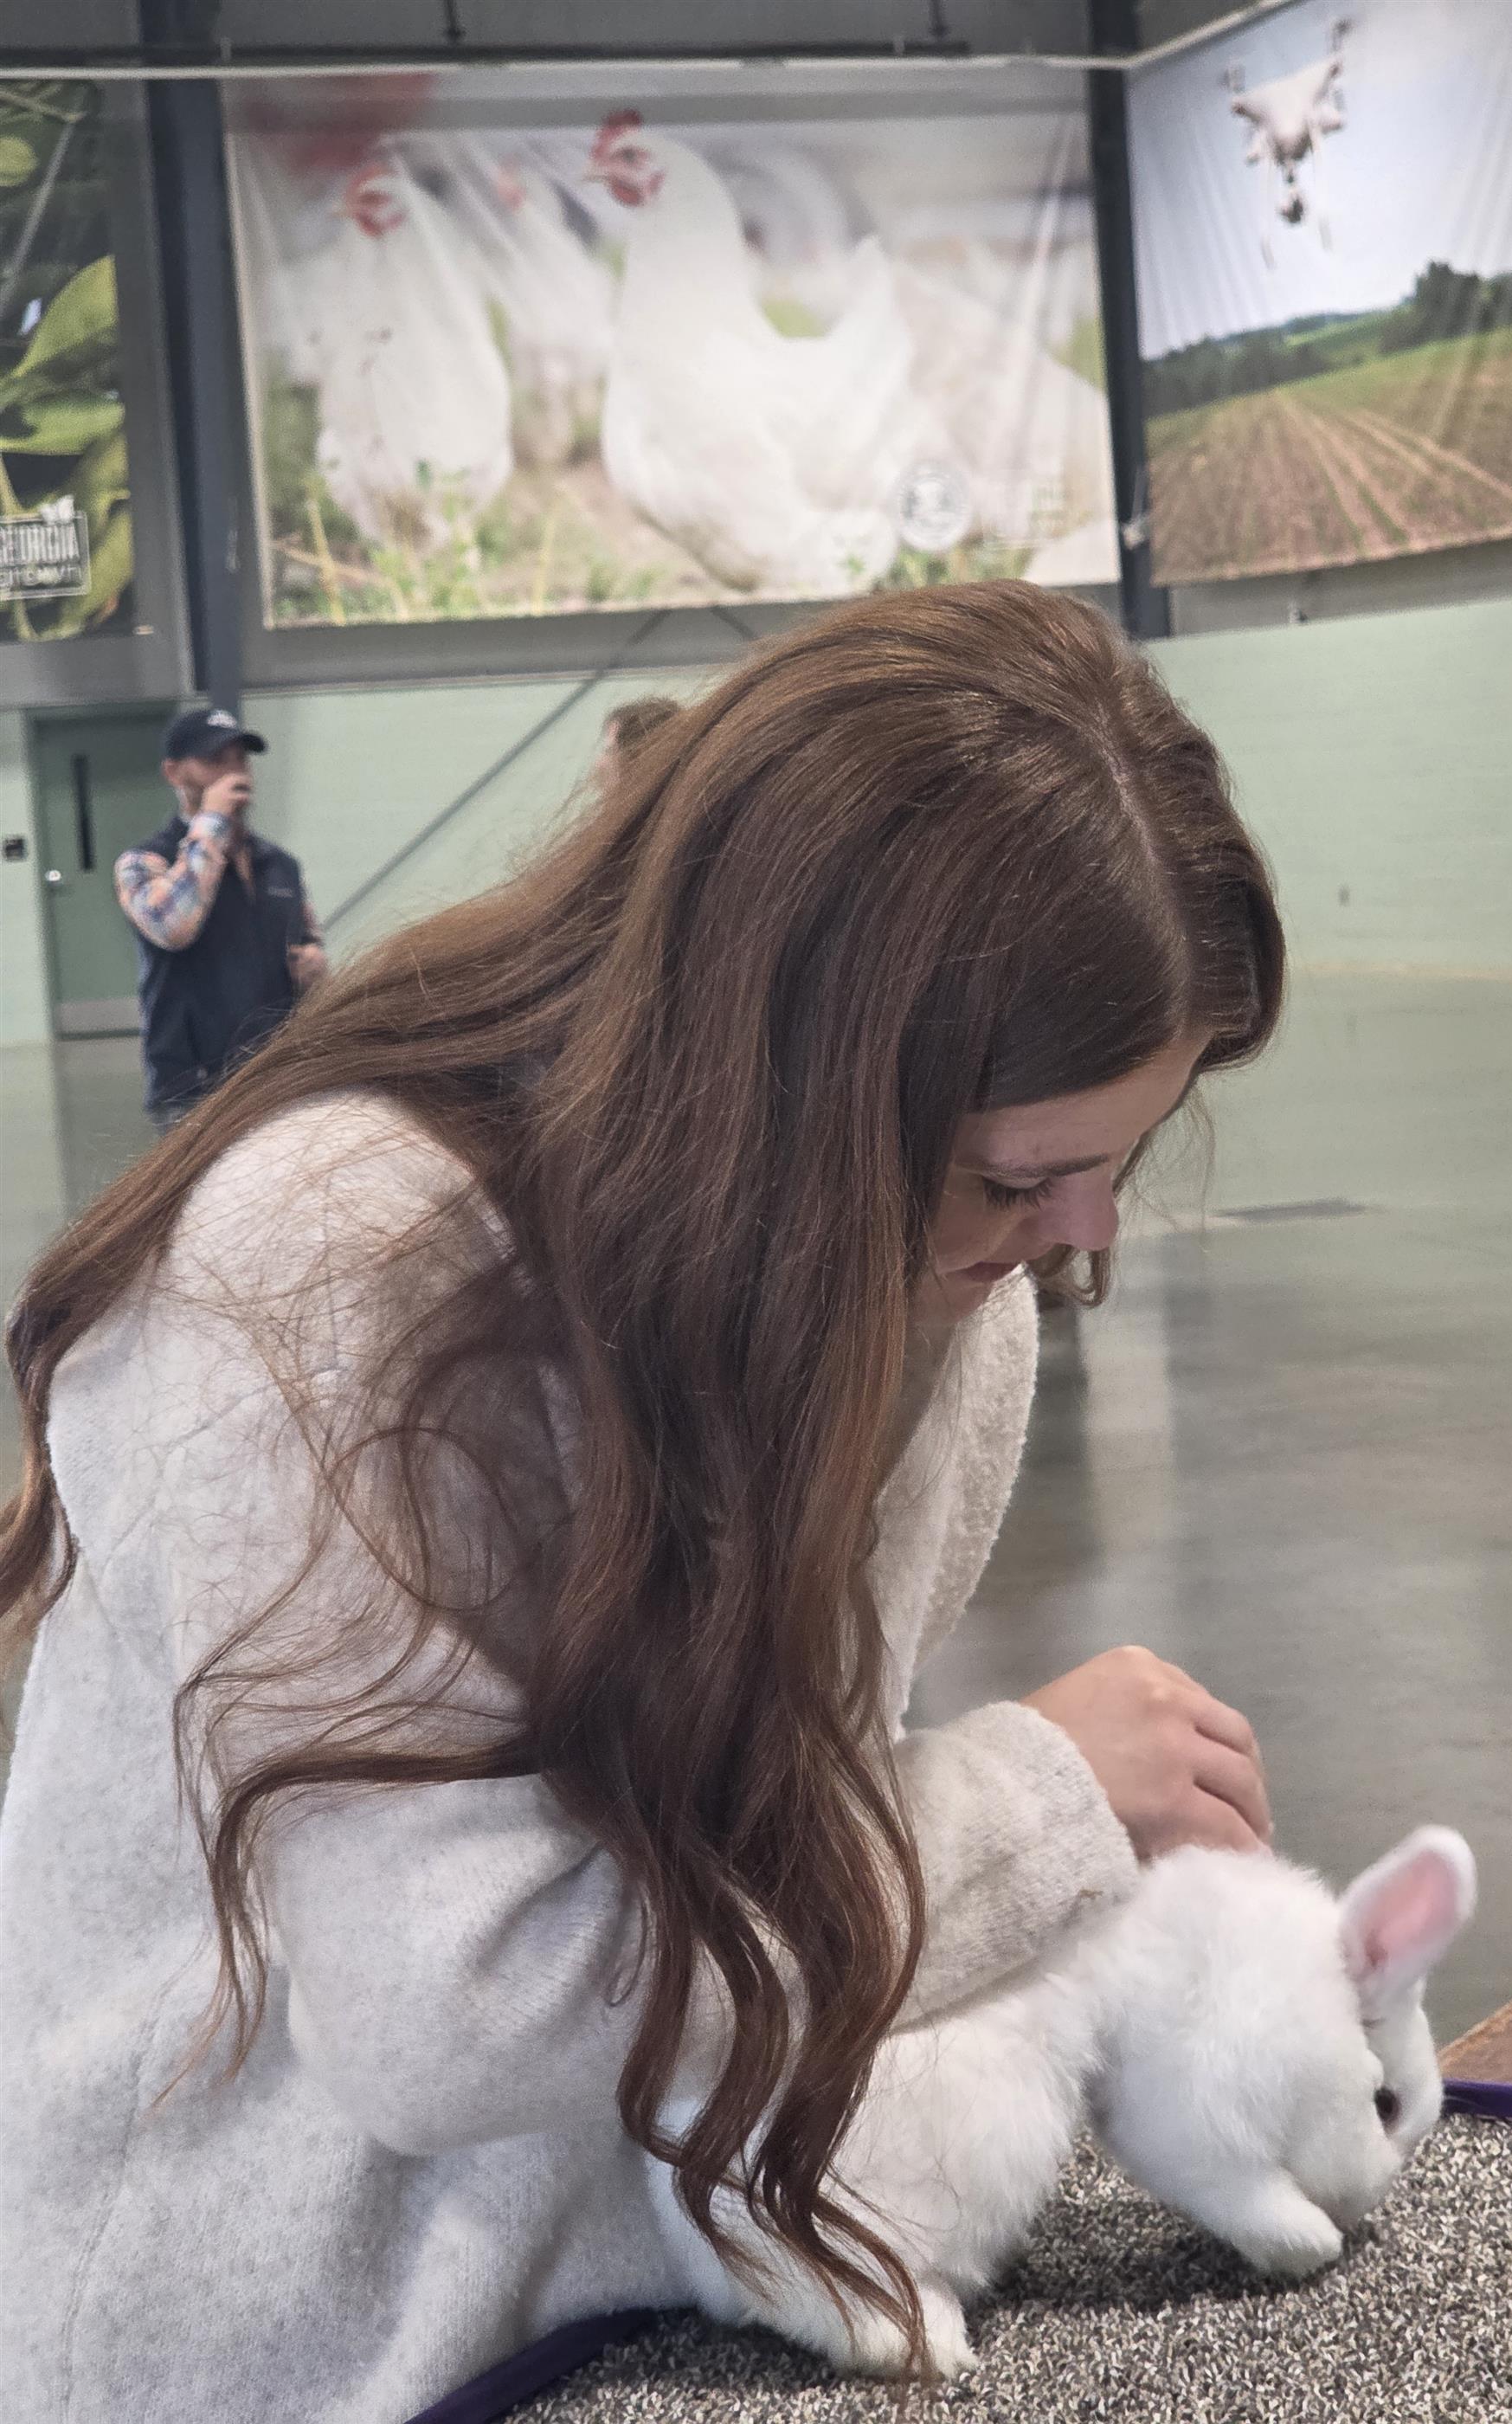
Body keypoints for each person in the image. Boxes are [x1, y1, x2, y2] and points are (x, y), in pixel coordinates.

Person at [1, 583, 1285, 2421]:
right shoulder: (334, 1266)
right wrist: (1035, 1807)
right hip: (283, 2366)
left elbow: (774, 1833)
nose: (1078, 1234)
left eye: (1118, 1160)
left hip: (636, 2288)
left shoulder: (946, 1291)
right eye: (1017, 1175)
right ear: (790, 1093)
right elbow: (445, 2015)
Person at [114, 704, 328, 1133]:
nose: (235, 774)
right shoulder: (144, 863)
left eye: (240, 760)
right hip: (193, 1091)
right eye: (215, 761)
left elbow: (309, 943)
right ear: (174, 773)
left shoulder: (280, 865)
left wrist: (315, 966)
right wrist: (211, 821)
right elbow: (173, 927)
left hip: (275, 1081)